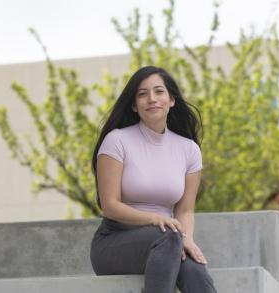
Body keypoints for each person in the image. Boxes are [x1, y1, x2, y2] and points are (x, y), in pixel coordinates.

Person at [90, 65, 217, 293]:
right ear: (134, 105)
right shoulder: (117, 141)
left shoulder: (189, 150)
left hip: (168, 240)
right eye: (142, 94)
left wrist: (186, 239)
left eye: (159, 92)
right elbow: (109, 206)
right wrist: (154, 219)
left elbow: (185, 211)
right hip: (115, 241)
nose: (152, 99)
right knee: (168, 238)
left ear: (171, 100)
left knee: (196, 270)